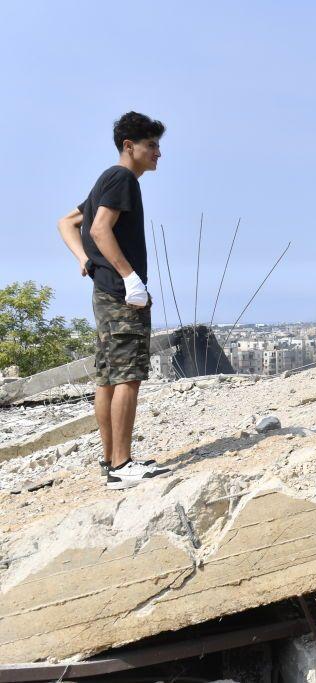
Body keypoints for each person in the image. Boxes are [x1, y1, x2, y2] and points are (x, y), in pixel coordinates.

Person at [57, 112, 171, 489]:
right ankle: (122, 466)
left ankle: (111, 463)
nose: (158, 153)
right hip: (121, 294)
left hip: (104, 292)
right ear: (130, 146)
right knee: (127, 377)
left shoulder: (107, 179)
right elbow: (99, 228)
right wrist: (130, 277)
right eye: (151, 145)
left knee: (107, 378)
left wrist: (85, 260)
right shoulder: (121, 178)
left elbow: (68, 222)